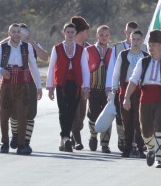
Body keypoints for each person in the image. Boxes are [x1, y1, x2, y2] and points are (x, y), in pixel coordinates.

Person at [123, 30, 161, 168]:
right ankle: (152, 149)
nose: (151, 47)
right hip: (145, 99)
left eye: (154, 44)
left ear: (160, 45)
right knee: (145, 131)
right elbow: (133, 81)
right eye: (149, 44)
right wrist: (126, 97)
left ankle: (159, 159)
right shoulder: (143, 62)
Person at [0, 24, 43, 155]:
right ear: (9, 33)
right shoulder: (2, 48)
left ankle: (21, 145)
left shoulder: (27, 47)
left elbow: (33, 67)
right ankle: (4, 143)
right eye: (13, 32)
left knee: (23, 114)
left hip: (23, 84)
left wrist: (39, 86)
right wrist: (1, 70)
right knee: (4, 114)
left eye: (18, 32)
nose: (15, 34)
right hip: (7, 84)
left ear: (21, 33)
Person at [46, 22, 89, 152]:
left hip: (75, 84)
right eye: (68, 32)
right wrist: (50, 86)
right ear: (63, 33)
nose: (70, 34)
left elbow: (85, 68)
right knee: (63, 110)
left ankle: (64, 139)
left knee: (71, 111)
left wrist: (86, 86)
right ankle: (65, 137)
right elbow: (51, 67)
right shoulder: (57, 48)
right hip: (61, 84)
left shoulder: (81, 50)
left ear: (75, 33)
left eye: (72, 32)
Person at [7, 23, 48, 151]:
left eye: (23, 33)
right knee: (13, 112)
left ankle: (25, 142)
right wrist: (9, 38)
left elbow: (45, 57)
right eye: (18, 32)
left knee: (30, 113)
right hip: (14, 82)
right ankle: (15, 135)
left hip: (30, 82)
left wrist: (33, 44)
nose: (20, 35)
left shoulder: (32, 45)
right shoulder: (8, 45)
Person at [111, 29, 148, 158]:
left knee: (139, 120)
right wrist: (114, 88)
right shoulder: (123, 54)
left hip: (139, 91)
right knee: (126, 120)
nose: (136, 42)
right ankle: (127, 148)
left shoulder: (145, 56)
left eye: (138, 39)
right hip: (125, 89)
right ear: (129, 40)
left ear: (142, 41)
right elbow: (116, 73)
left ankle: (140, 147)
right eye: (133, 39)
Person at [105, 21, 141, 152]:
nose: (133, 37)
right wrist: (111, 88)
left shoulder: (144, 49)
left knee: (137, 117)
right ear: (126, 32)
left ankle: (136, 144)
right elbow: (113, 71)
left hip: (138, 89)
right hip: (122, 88)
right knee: (122, 117)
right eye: (130, 33)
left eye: (135, 33)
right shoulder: (118, 49)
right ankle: (123, 139)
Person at [83, 25, 113, 153]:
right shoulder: (88, 50)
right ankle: (93, 135)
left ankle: (105, 143)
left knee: (107, 115)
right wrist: (86, 87)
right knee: (93, 113)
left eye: (106, 35)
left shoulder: (113, 51)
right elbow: (85, 69)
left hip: (107, 90)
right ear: (96, 36)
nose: (104, 37)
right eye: (101, 35)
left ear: (109, 36)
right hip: (93, 88)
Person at [70, 16, 91, 150]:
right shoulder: (67, 46)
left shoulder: (89, 48)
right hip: (69, 85)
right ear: (79, 32)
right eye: (86, 31)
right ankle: (76, 138)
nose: (88, 34)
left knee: (82, 114)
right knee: (73, 113)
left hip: (84, 86)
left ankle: (72, 135)